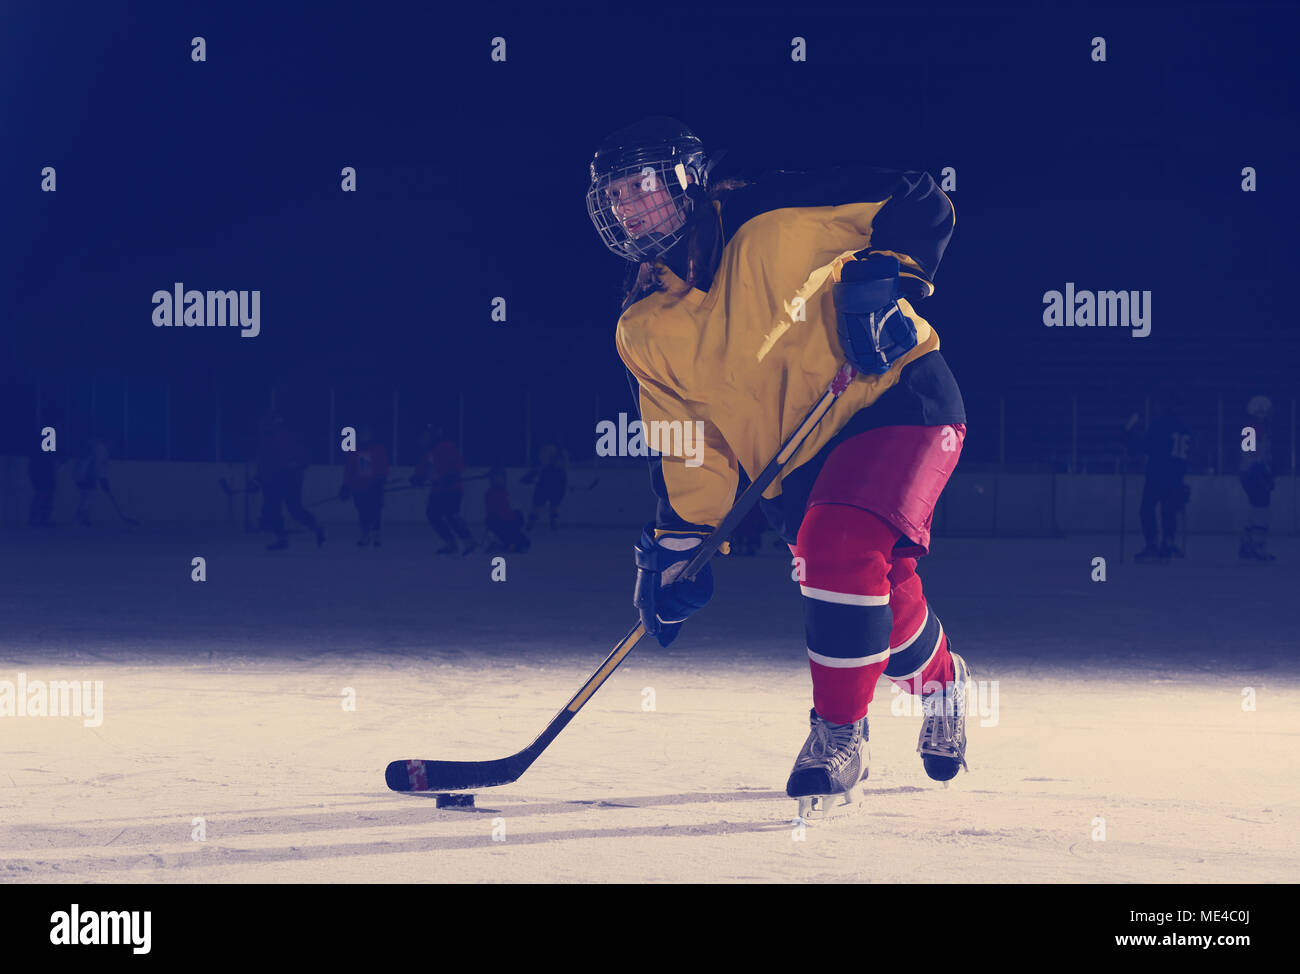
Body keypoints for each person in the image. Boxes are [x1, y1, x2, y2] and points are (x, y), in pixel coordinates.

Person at [587, 117, 969, 816]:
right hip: (795, 465)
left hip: (896, 398)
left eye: (641, 187)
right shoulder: (642, 327)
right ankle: (943, 686)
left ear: (683, 182)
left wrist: (889, 277)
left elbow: (920, 200)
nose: (630, 208)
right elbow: (689, 442)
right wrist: (679, 545)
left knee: (839, 548)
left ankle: (837, 737)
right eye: (615, 199)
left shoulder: (774, 214)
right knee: (879, 588)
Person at [1127, 396, 1192, 562]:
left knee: (1147, 509)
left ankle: (1152, 545)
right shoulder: (1184, 428)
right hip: (1177, 475)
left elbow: (1146, 447)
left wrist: (1130, 435)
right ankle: (1168, 543)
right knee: (1168, 511)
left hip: (1158, 473)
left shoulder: (1158, 425)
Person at [257, 413, 326, 551]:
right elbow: (265, 461)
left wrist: (297, 465)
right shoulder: (269, 439)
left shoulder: (286, 437)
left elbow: (303, 457)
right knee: (277, 508)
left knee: (289, 508)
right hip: (278, 478)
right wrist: (259, 477)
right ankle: (284, 537)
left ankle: (313, 527)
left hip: (287, 477)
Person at [411, 425, 477, 555]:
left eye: (425, 437)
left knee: (451, 514)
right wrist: (417, 478)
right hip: (438, 490)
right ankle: (450, 543)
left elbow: (461, 464)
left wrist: (452, 475)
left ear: (432, 436)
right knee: (432, 514)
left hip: (452, 489)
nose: (422, 440)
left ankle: (468, 541)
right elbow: (424, 470)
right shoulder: (427, 453)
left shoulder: (447, 446)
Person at [1238, 394, 1276, 561]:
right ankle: (1256, 547)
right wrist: (1263, 470)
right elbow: (1251, 454)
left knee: (1256, 509)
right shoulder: (1252, 429)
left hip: (1253, 472)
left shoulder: (1256, 429)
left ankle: (1248, 544)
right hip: (1254, 472)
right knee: (1262, 510)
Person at [340, 425, 390, 547]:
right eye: (362, 433)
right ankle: (365, 535)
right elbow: (349, 469)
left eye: (367, 433)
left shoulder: (379, 449)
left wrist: (381, 479)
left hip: (374, 485)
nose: (364, 436)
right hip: (359, 487)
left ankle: (376, 535)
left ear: (372, 435)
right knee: (362, 511)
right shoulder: (354, 450)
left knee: (376, 510)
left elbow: (384, 466)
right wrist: (346, 485)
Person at [484, 466, 531, 553]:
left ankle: (508, 544)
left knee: (525, 543)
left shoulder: (504, 492)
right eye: (497, 478)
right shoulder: (490, 493)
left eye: (501, 478)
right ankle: (505, 544)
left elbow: (507, 509)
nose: (500, 480)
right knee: (513, 527)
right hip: (498, 522)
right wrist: (510, 518)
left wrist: (514, 516)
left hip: (508, 522)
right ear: (492, 479)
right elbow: (494, 511)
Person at [523, 443, 568, 531]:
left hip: (553, 484)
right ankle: (533, 522)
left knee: (551, 504)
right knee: (539, 504)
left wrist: (529, 476)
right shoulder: (551, 452)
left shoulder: (556, 453)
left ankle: (551, 521)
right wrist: (529, 476)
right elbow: (541, 467)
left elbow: (542, 467)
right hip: (546, 483)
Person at [71, 435, 110, 526]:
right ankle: (79, 519)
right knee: (88, 497)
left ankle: (82, 518)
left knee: (86, 497)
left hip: (83, 474)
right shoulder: (102, 449)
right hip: (86, 475)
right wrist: (102, 479)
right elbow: (97, 465)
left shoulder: (98, 448)